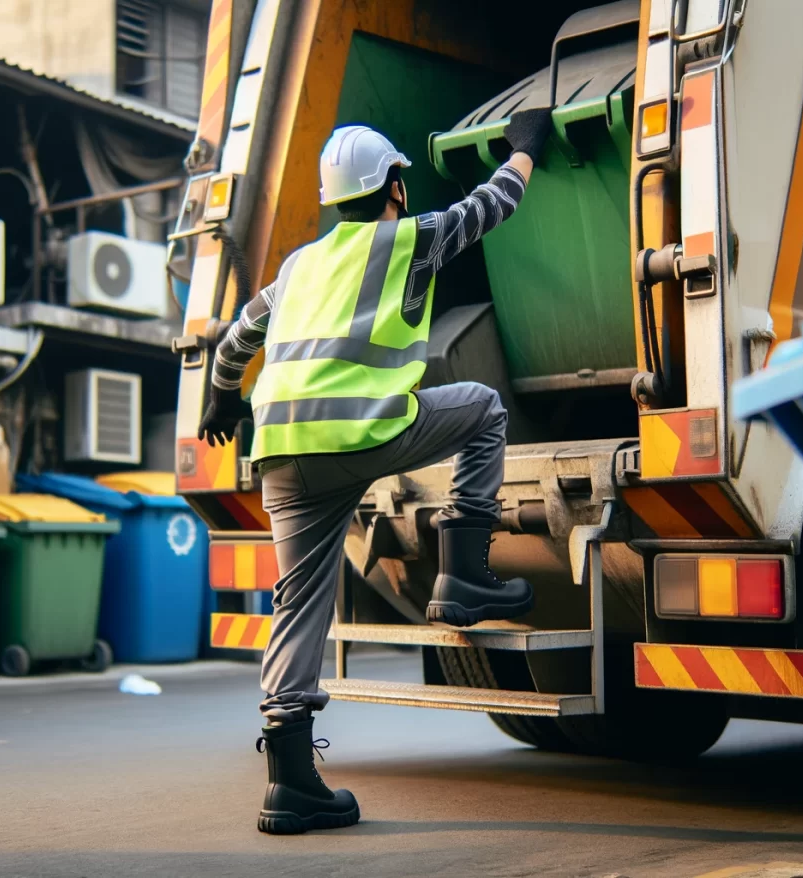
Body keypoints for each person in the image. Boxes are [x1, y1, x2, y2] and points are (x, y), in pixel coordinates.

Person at [198, 110, 555, 835]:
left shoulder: (298, 267)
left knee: (298, 604)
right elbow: (492, 207)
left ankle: (289, 784)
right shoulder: (410, 238)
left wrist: (221, 397)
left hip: (282, 454)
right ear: (394, 185)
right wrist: (525, 150)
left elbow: (235, 339)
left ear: (334, 199)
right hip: (363, 435)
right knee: (484, 408)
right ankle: (463, 574)